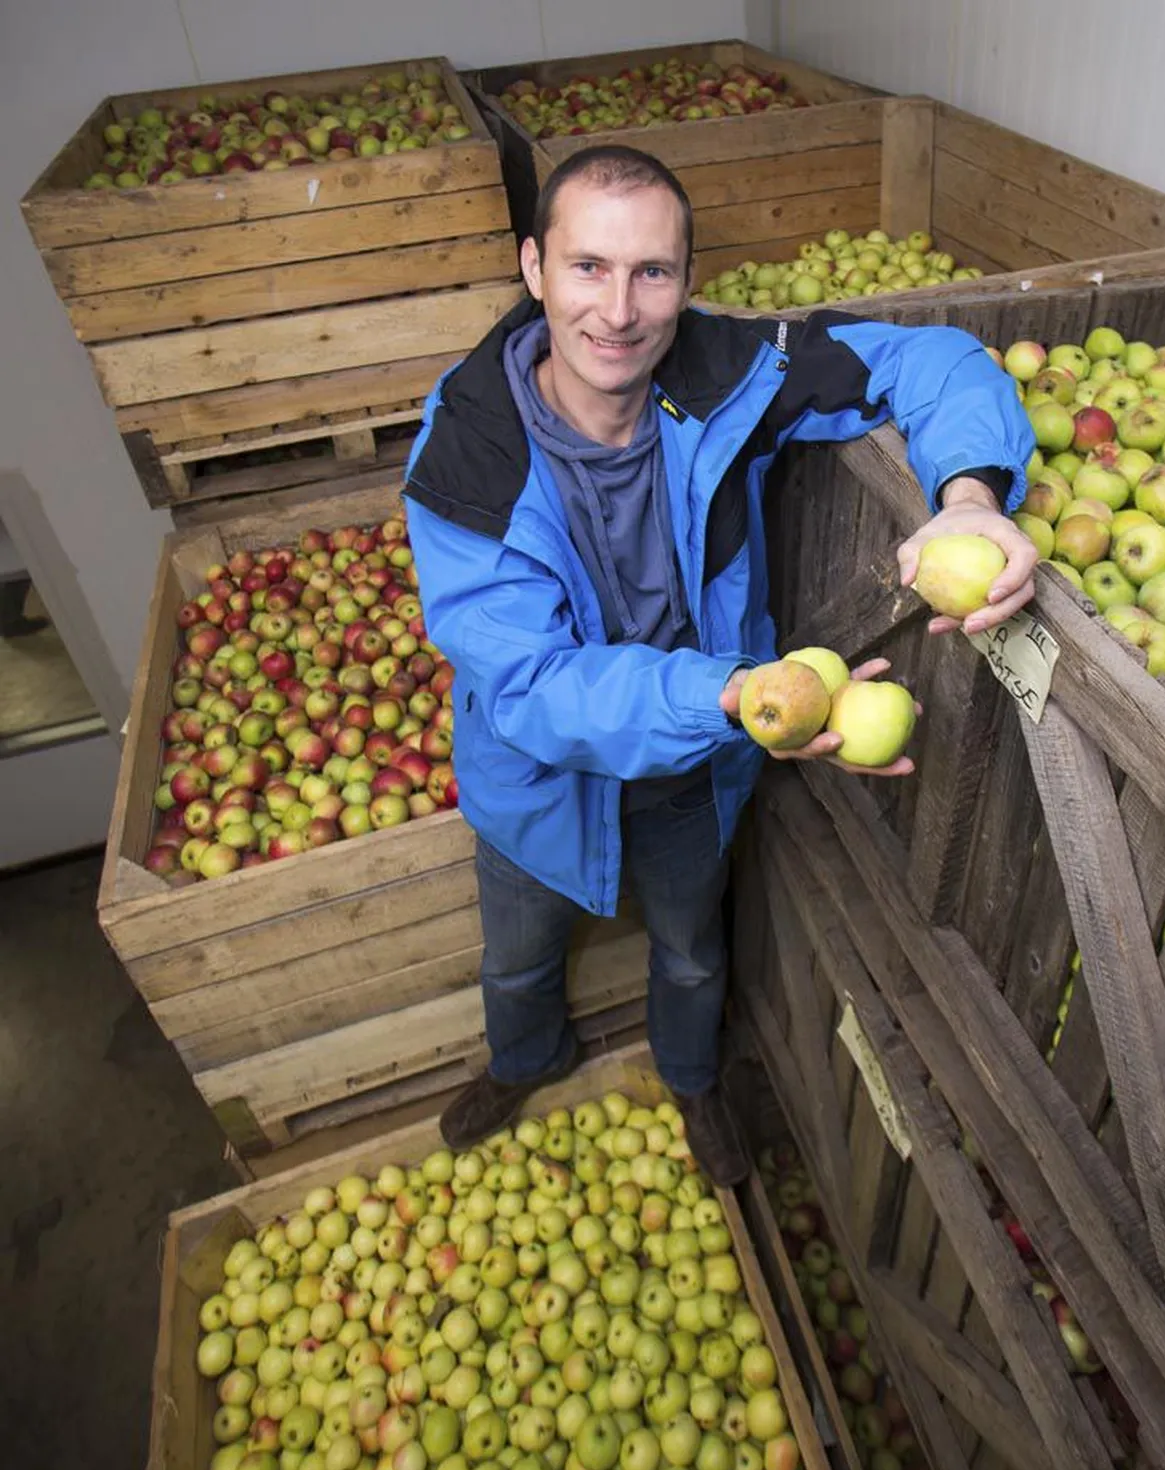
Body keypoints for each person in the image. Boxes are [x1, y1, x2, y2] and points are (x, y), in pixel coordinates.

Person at [403, 145, 1037, 1182]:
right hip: (538, 780)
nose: (618, 309)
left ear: (687, 282)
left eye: (651, 272)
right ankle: (524, 1059)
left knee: (692, 952)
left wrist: (966, 495)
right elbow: (532, 686)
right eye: (587, 268)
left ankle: (691, 1080)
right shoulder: (469, 458)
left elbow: (931, 360)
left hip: (697, 769)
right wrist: (735, 693)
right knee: (517, 957)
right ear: (532, 269)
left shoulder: (730, 374)